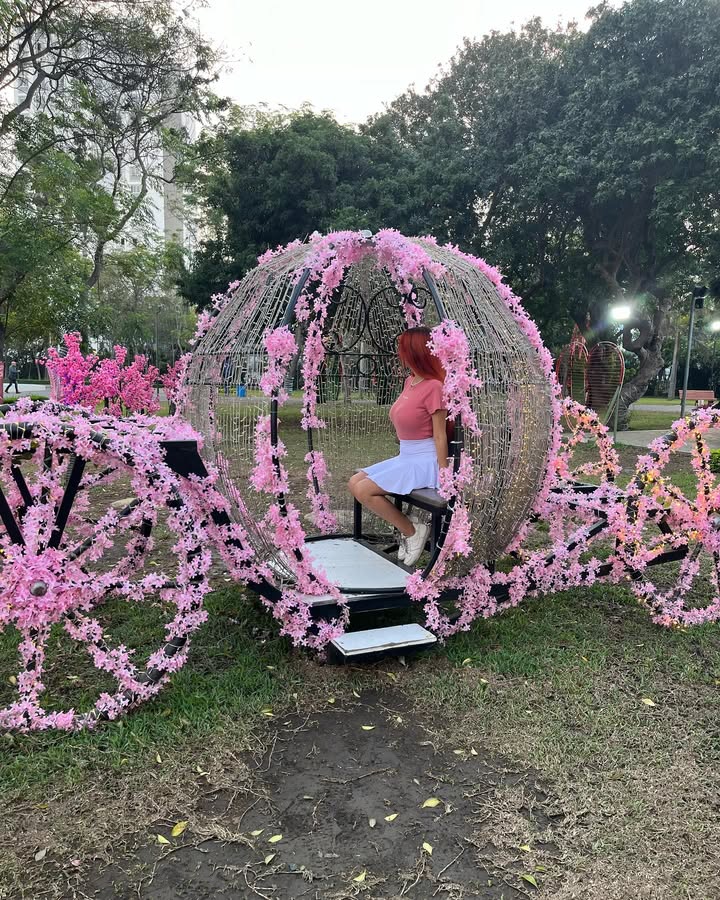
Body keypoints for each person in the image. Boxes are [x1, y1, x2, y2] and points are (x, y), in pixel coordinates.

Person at [348, 327, 449, 567]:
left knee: (364, 491)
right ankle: (410, 527)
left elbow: (440, 436)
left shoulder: (434, 387)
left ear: (414, 352)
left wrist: (445, 475)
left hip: (424, 460)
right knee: (354, 483)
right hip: (406, 455)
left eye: (402, 348)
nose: (399, 353)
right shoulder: (410, 381)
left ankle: (412, 531)